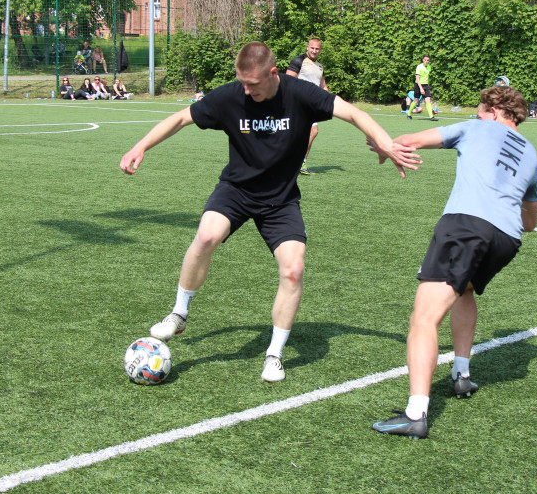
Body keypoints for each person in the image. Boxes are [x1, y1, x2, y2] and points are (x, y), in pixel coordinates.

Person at [119, 42, 420, 382]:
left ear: (273, 73)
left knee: (293, 270)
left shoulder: (300, 94)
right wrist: (140, 146)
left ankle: (274, 354)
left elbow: (354, 113)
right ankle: (179, 313)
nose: (246, 91)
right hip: (236, 191)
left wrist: (386, 142)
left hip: (280, 200)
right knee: (206, 235)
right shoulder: (232, 96)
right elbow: (180, 118)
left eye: (253, 85)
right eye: (242, 83)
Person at [371, 84, 537, 439]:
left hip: (466, 226)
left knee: (424, 318)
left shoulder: (475, 127)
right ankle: (461, 374)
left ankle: (415, 413)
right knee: (464, 291)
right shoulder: (532, 155)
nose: (475, 115)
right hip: (506, 239)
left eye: (479, 109)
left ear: (494, 111)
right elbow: (530, 223)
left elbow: (410, 140)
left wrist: (386, 147)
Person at [286, 37, 330, 175]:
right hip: (298, 103)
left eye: (317, 49)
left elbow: (323, 86)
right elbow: (287, 80)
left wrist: (330, 100)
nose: (314, 51)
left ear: (320, 50)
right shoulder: (299, 61)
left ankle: (300, 162)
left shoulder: (320, 66)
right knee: (296, 133)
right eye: (312, 48)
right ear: (307, 47)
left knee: (312, 131)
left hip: (311, 105)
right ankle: (291, 161)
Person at [408, 55, 437, 121]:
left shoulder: (429, 67)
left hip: (426, 85)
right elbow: (417, 78)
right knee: (416, 101)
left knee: (428, 100)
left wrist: (428, 86)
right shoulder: (419, 67)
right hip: (418, 85)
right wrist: (421, 88)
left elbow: (428, 77)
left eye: (428, 60)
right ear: (423, 60)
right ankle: (409, 114)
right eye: (425, 60)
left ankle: (431, 117)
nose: (426, 61)